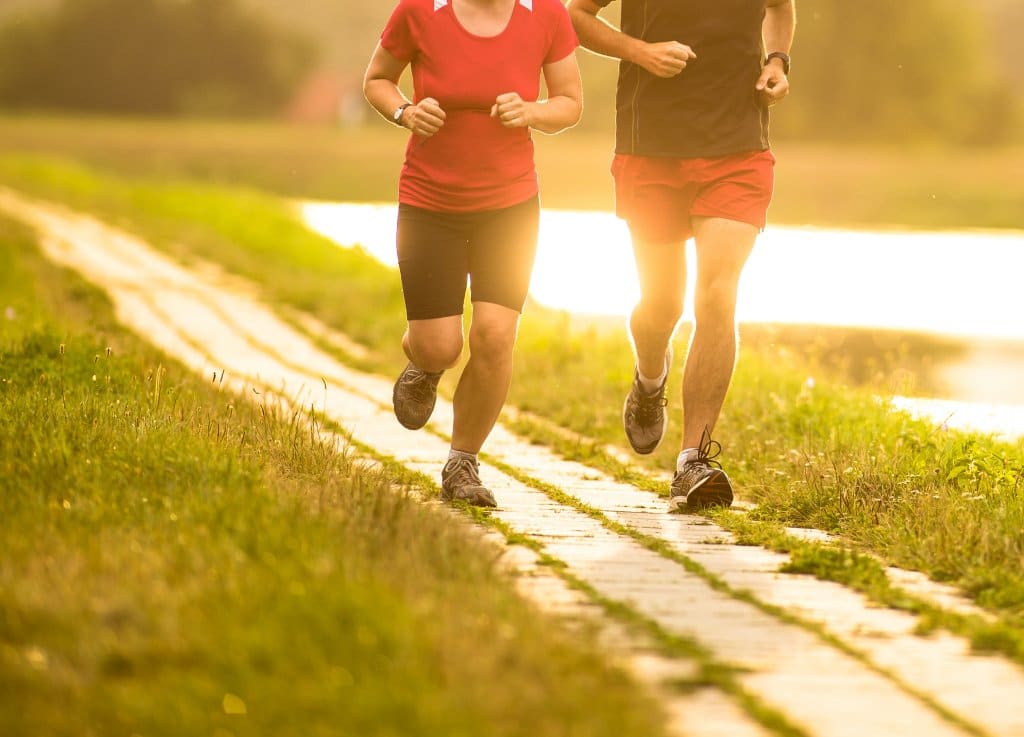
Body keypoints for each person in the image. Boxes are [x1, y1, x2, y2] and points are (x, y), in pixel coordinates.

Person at [567, 0, 795, 509]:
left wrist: (777, 62)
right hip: (652, 147)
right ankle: (651, 376)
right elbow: (575, 16)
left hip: (737, 145)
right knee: (661, 306)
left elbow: (780, 7)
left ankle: (694, 458)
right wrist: (640, 51)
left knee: (717, 294)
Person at [364, 0, 582, 507]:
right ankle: (426, 364)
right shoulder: (419, 10)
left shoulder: (547, 14)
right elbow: (377, 79)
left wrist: (531, 111)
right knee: (441, 345)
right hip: (429, 203)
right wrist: (406, 111)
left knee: (495, 335)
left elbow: (569, 102)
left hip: (509, 206)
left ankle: (463, 461)